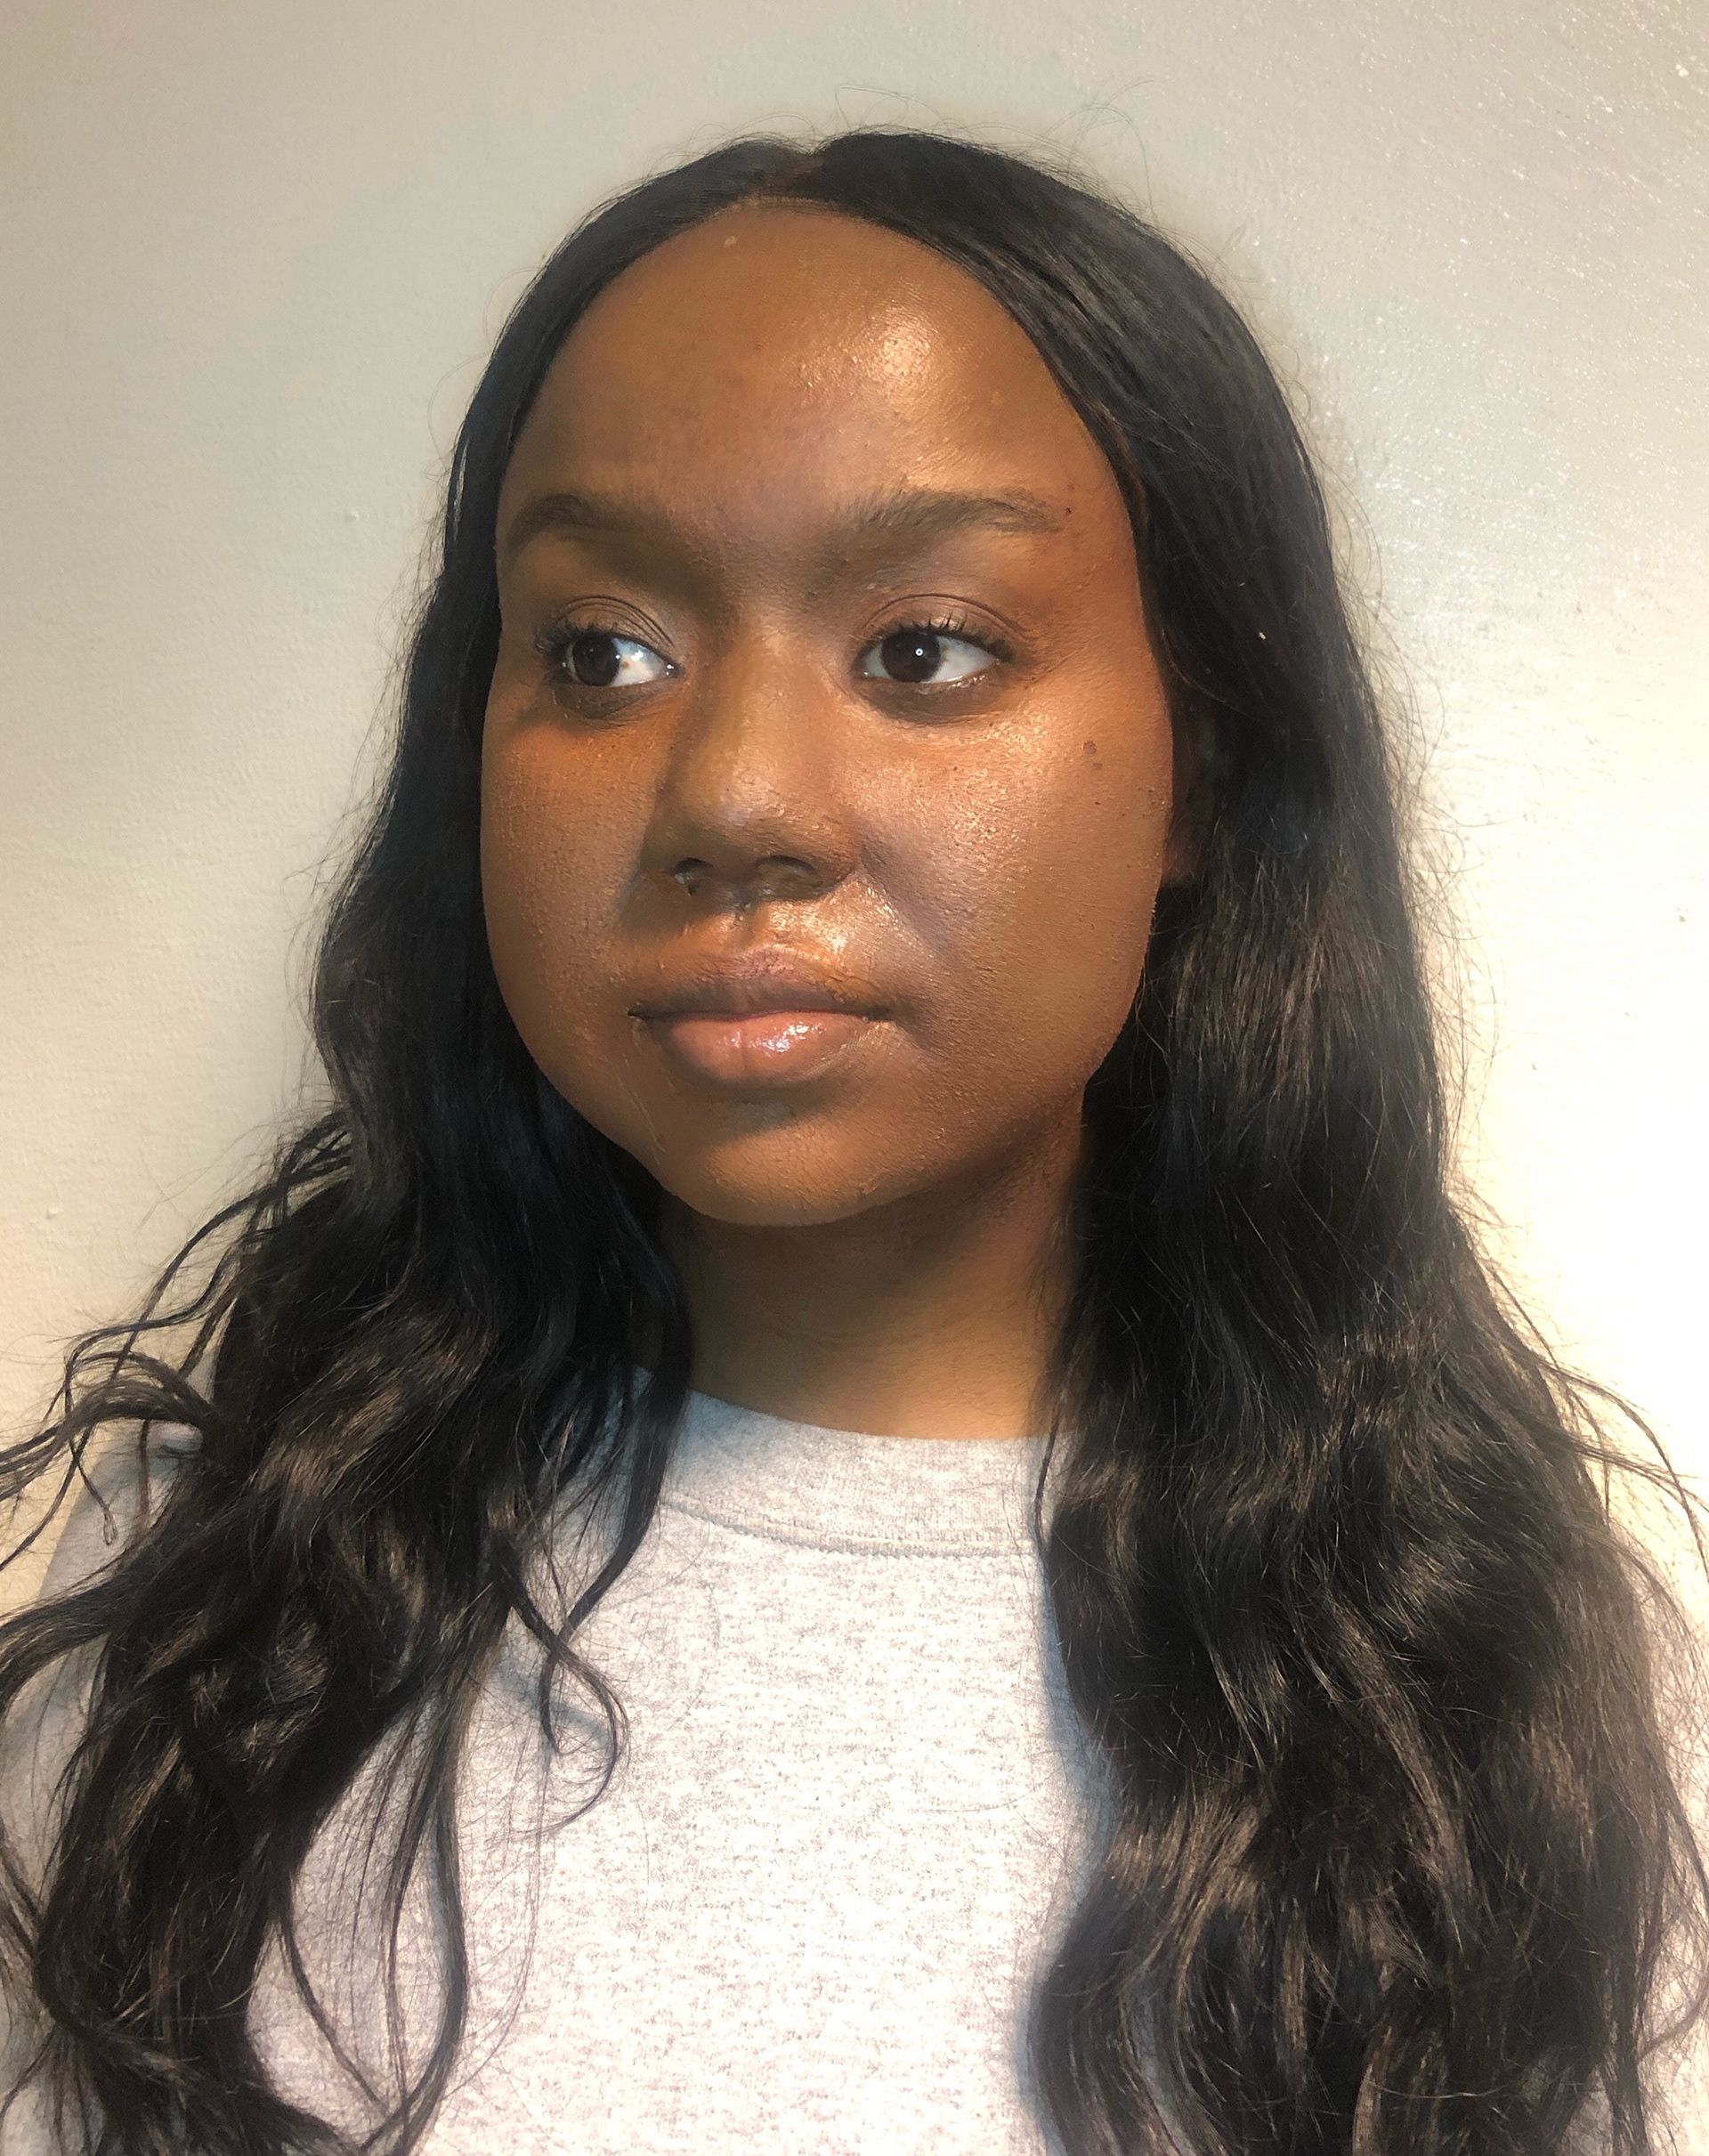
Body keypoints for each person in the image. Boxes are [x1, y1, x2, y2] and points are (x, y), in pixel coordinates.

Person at [0, 127, 1702, 2156]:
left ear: (1201, 775)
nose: (735, 797)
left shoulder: (1503, 1683)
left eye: (923, 649)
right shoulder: (207, 1597)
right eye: (601, 652)